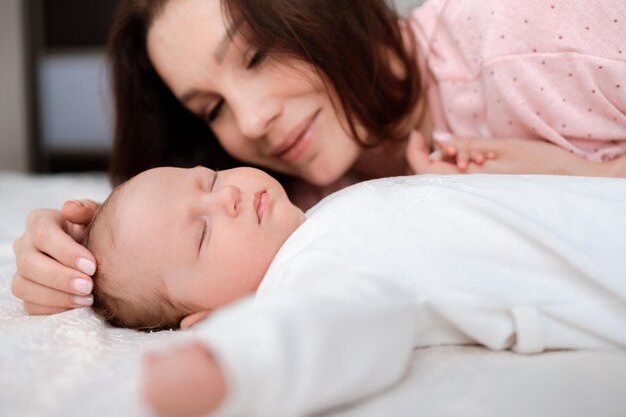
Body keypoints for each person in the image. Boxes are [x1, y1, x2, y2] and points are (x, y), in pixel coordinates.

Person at [11, 0, 626, 314]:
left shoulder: (530, 42)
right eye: (212, 109)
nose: (251, 122)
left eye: (255, 56)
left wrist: (584, 178)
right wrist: (78, 260)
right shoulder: (291, 204)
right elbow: (158, 252)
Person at [80, 165, 626, 417]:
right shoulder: (307, 275)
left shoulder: (323, 216)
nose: (229, 200)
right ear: (207, 318)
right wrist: (230, 363)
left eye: (211, 179)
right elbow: (339, 327)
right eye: (202, 235)